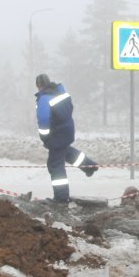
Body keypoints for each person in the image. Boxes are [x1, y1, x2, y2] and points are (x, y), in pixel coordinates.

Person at [34, 73, 98, 203]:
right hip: (67, 131)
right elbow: (70, 109)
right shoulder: (61, 93)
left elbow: (44, 119)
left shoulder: (44, 99)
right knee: (66, 152)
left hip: (56, 135)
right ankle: (89, 166)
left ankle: (61, 198)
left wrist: (44, 136)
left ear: (38, 86)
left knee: (55, 164)